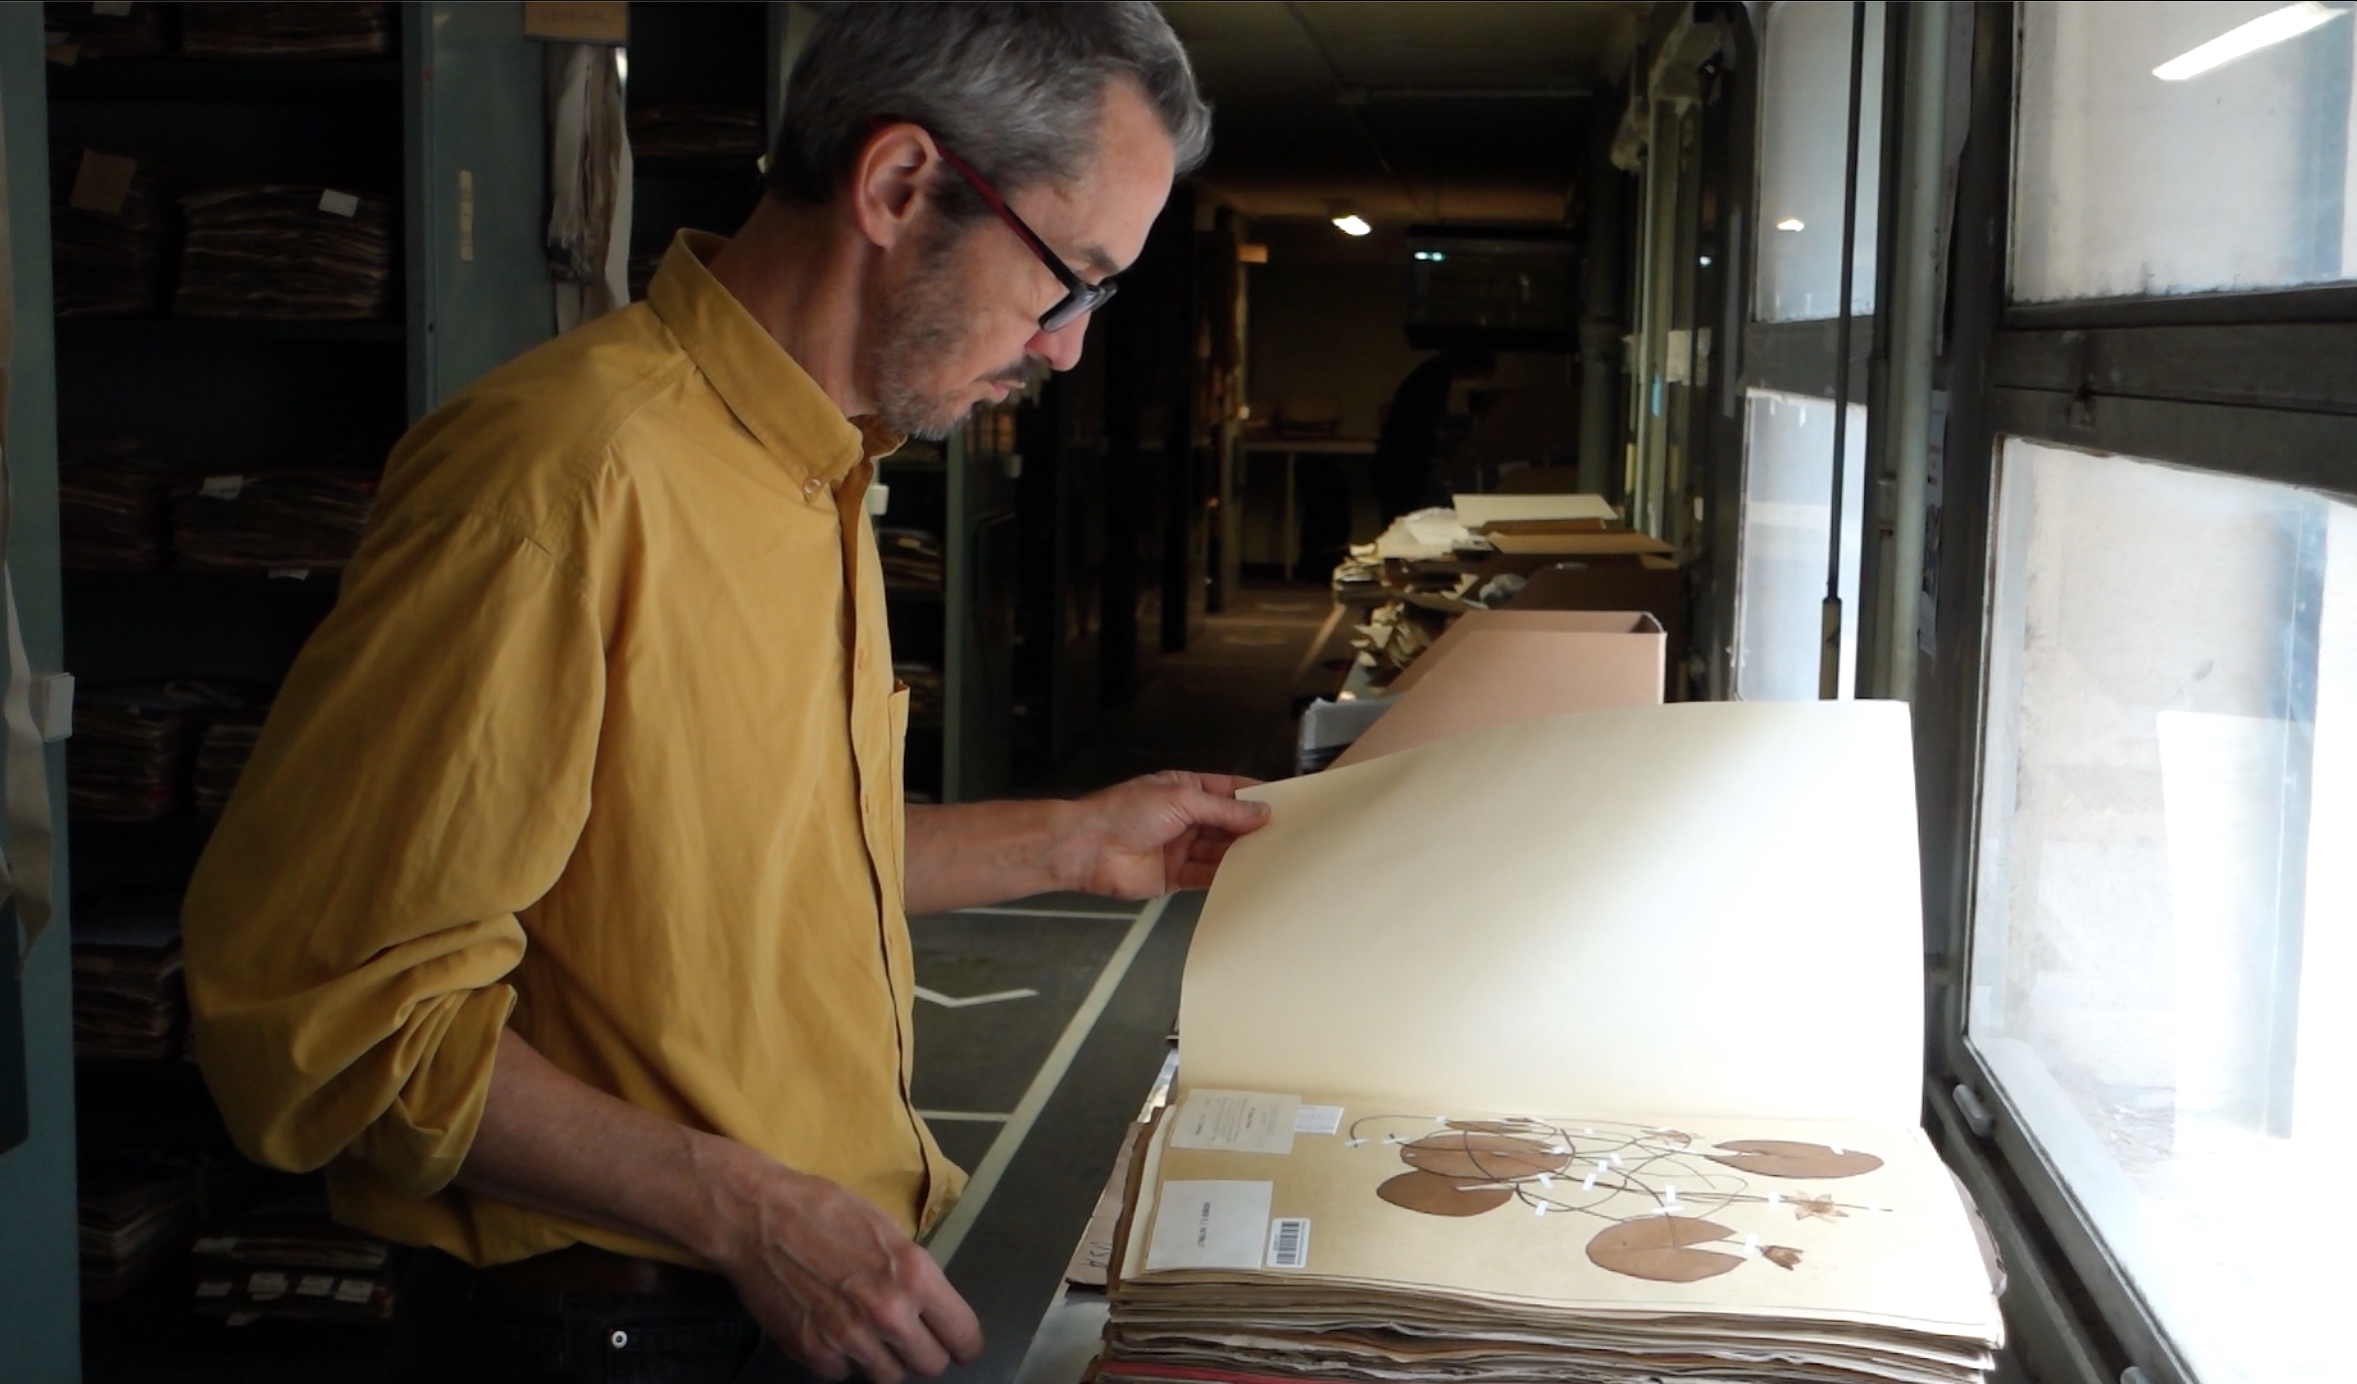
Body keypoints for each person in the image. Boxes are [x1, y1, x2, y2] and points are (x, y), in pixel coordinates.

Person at [181, 7, 1258, 1381]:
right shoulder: (561, 482)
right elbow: (334, 1015)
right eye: (1068, 282)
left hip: (784, 1288)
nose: (1065, 351)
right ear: (898, 185)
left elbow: (737, 870)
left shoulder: (822, 468)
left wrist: (1074, 841)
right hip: (615, 1330)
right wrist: (747, 1210)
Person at [1371, 345, 1495, 522]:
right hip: (1403, 467)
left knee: (1402, 519)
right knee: (1406, 519)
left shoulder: (1429, 374)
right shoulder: (1433, 379)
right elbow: (1428, 425)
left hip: (1398, 463)